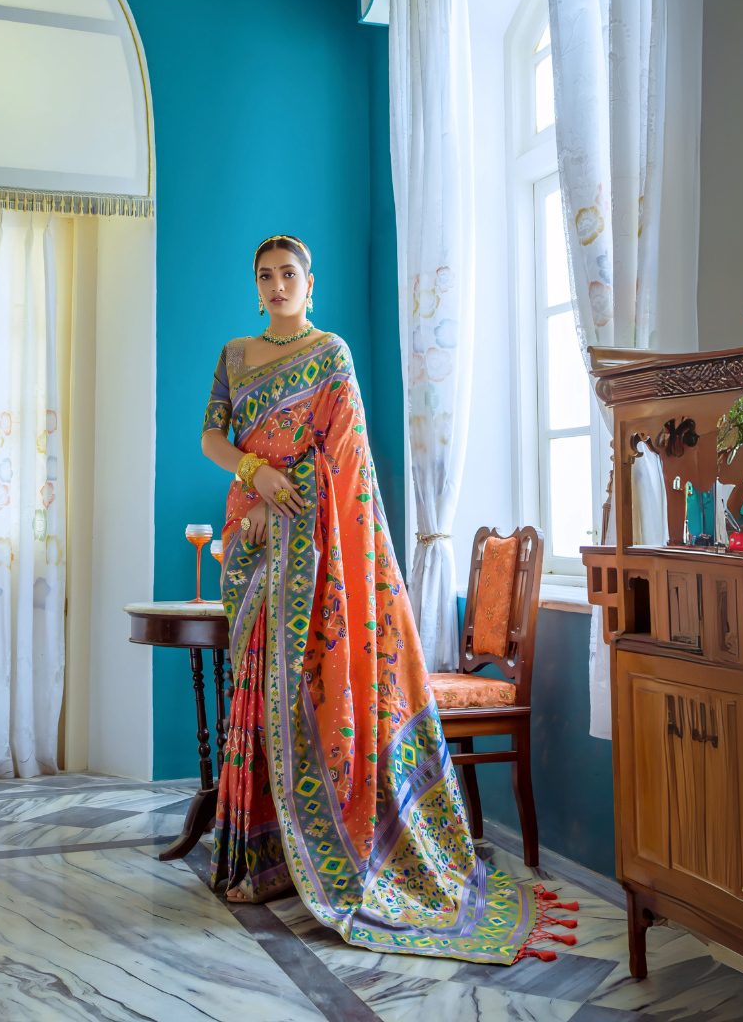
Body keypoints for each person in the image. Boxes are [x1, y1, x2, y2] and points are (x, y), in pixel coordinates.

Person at [199, 235, 574, 964]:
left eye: (289, 275)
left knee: (304, 691)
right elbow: (212, 434)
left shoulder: (331, 354)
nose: (278, 286)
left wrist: (302, 505)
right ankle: (261, 857)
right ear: (256, 286)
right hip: (250, 543)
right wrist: (254, 470)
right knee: (257, 693)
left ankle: (331, 855)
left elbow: (350, 467)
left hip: (314, 550)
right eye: (266, 277)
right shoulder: (236, 355)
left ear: (312, 283)